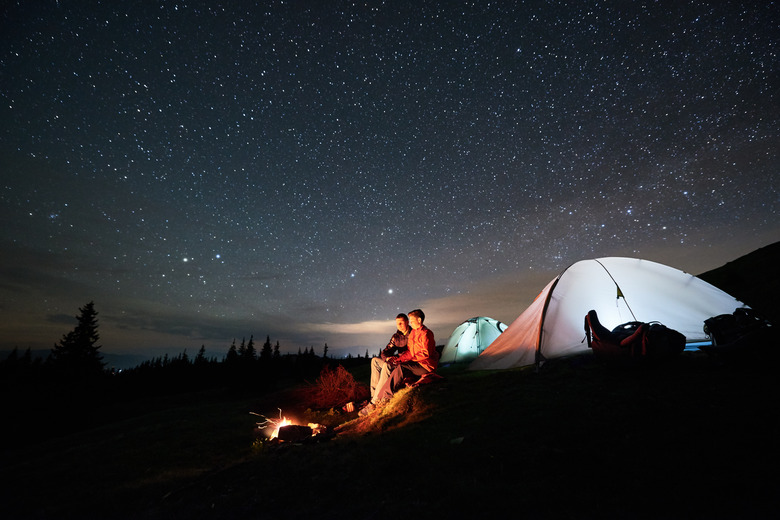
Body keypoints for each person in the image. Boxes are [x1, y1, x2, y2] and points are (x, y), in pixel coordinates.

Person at [360, 309, 437, 416]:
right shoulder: (406, 334)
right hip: (409, 362)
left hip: (424, 364)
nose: (410, 322)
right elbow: (408, 352)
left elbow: (425, 353)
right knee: (375, 361)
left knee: (395, 367)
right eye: (397, 323)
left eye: (410, 320)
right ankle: (374, 397)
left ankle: (379, 399)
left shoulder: (425, 333)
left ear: (419, 320)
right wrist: (396, 359)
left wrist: (405, 360)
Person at [369, 313, 411, 402]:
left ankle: (375, 401)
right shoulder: (396, 336)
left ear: (407, 322)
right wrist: (387, 358)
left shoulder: (413, 334)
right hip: (396, 361)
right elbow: (385, 351)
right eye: (397, 323)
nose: (399, 326)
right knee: (375, 361)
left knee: (386, 366)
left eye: (401, 323)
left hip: (404, 364)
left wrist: (397, 360)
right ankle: (374, 395)